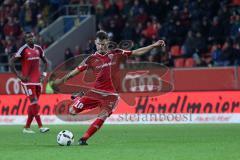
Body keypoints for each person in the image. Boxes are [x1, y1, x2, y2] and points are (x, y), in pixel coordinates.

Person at [53, 30, 165, 145]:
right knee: (71, 111)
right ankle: (78, 97)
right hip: (95, 92)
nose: (101, 46)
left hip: (112, 95)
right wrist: (62, 80)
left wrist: (153, 45)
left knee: (103, 116)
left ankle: (84, 139)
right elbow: (75, 72)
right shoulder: (91, 59)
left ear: (108, 43)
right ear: (95, 44)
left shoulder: (116, 53)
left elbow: (136, 52)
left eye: (103, 44)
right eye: (99, 44)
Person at [10, 32, 50, 134]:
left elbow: (46, 62)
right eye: (27, 38)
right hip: (27, 83)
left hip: (37, 82)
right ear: (25, 39)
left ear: (34, 37)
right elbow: (11, 61)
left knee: (34, 106)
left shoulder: (38, 48)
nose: (30, 39)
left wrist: (43, 75)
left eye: (31, 37)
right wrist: (19, 76)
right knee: (34, 103)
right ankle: (41, 127)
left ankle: (27, 127)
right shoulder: (23, 49)